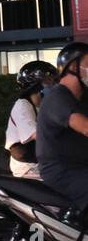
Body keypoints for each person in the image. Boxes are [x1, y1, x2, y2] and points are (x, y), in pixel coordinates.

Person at [35, 43, 88, 211]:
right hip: (62, 172)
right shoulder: (58, 97)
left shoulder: (82, 98)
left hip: (80, 167)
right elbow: (85, 127)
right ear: (73, 66)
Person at [7, 60, 56, 179]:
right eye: (48, 81)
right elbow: (37, 134)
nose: (53, 84)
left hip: (41, 162)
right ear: (36, 85)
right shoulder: (22, 106)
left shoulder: (42, 105)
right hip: (27, 168)